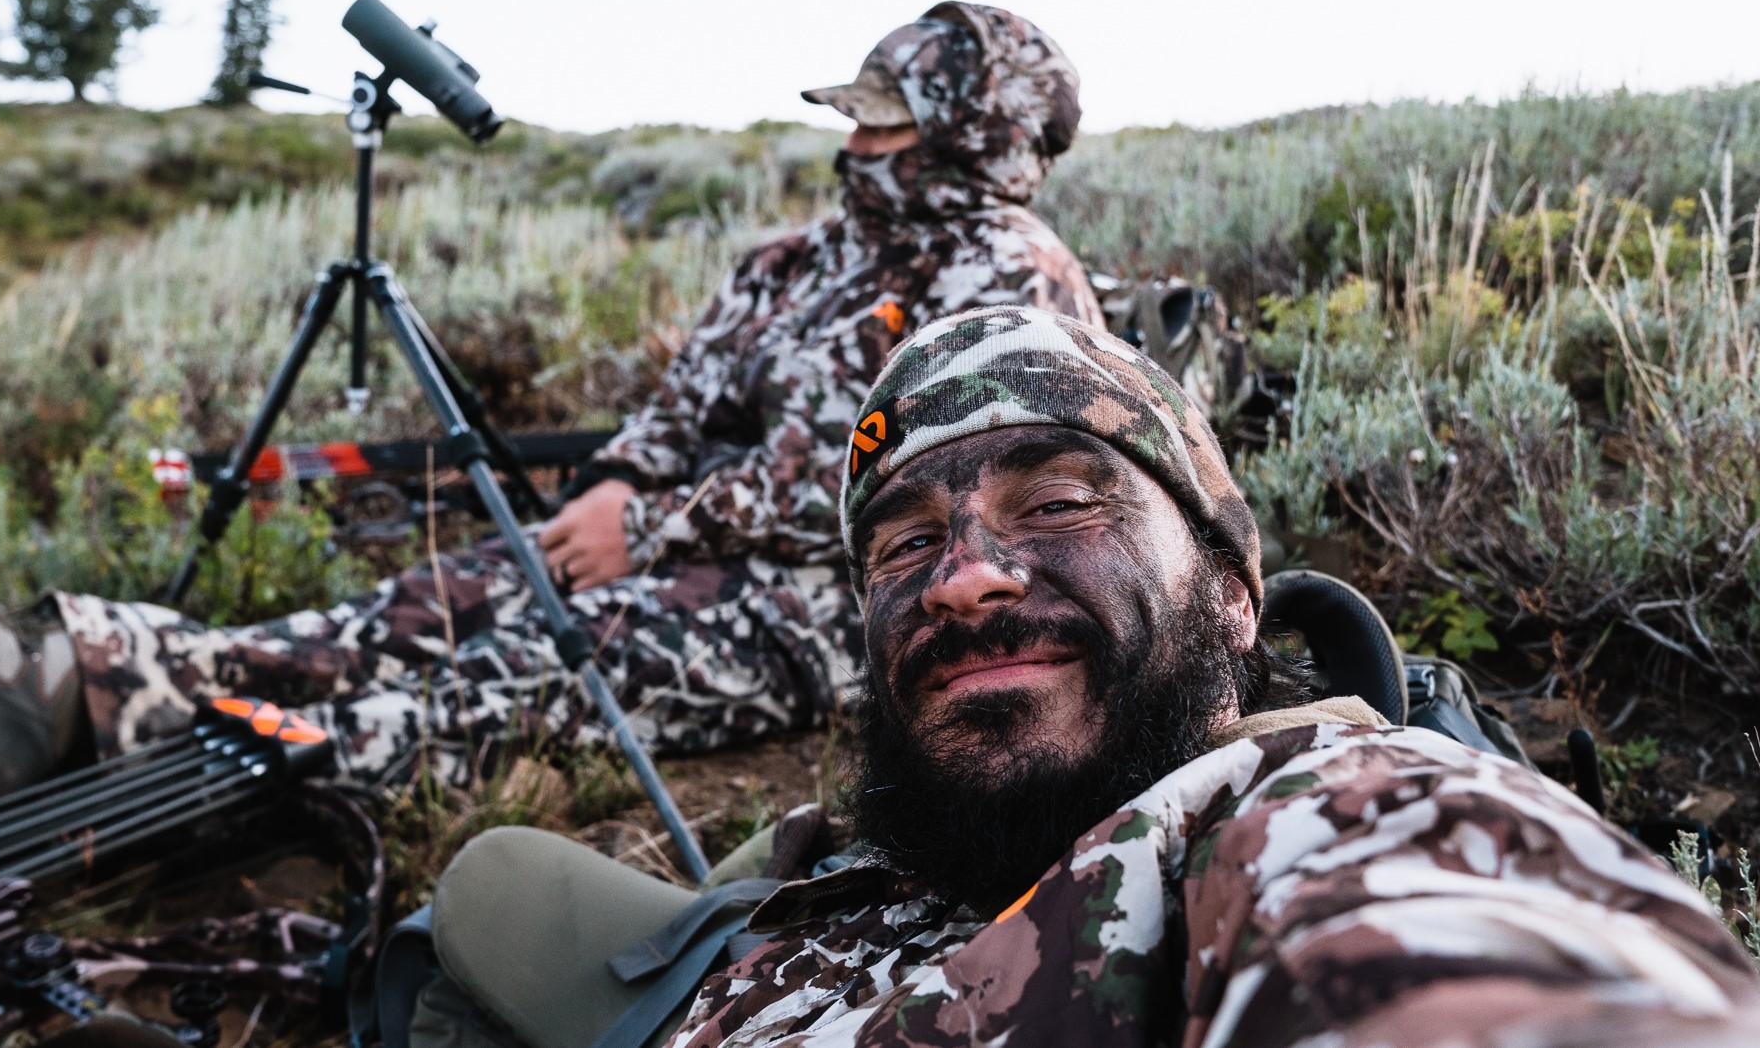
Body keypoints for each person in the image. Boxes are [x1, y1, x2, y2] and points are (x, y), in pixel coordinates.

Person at [0, 2, 1102, 821]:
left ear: (965, 137)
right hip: (653, 542)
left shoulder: (1015, 281)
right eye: (857, 124)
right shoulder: (791, 260)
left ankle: (93, 776)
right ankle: (51, 672)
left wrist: (650, 534)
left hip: (808, 611)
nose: (854, 150)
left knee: (479, 688)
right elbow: (675, 409)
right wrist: (618, 495)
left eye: (886, 128)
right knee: (402, 612)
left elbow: (914, 498)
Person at [422, 306, 1760, 1048]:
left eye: (1060, 499)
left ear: (1234, 595)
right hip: (794, 938)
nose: (962, 574)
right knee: (482, 888)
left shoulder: (1334, 808)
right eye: (903, 541)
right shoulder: (859, 855)